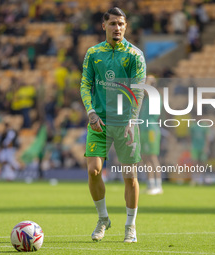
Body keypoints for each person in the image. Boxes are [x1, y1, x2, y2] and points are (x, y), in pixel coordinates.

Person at [80, 7, 146, 243]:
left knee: (130, 176)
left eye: (121, 24)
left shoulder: (135, 55)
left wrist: (131, 119)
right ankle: (103, 219)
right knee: (93, 170)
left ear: (126, 26)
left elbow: (138, 90)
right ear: (103, 26)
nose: (117, 28)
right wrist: (90, 112)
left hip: (125, 123)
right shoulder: (93, 53)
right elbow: (85, 84)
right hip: (99, 122)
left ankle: (130, 225)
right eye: (113, 24)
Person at [139, 75, 163, 195]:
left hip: (151, 130)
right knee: (145, 157)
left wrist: (148, 80)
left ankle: (158, 185)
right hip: (144, 129)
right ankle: (151, 184)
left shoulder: (155, 96)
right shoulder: (147, 99)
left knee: (152, 157)